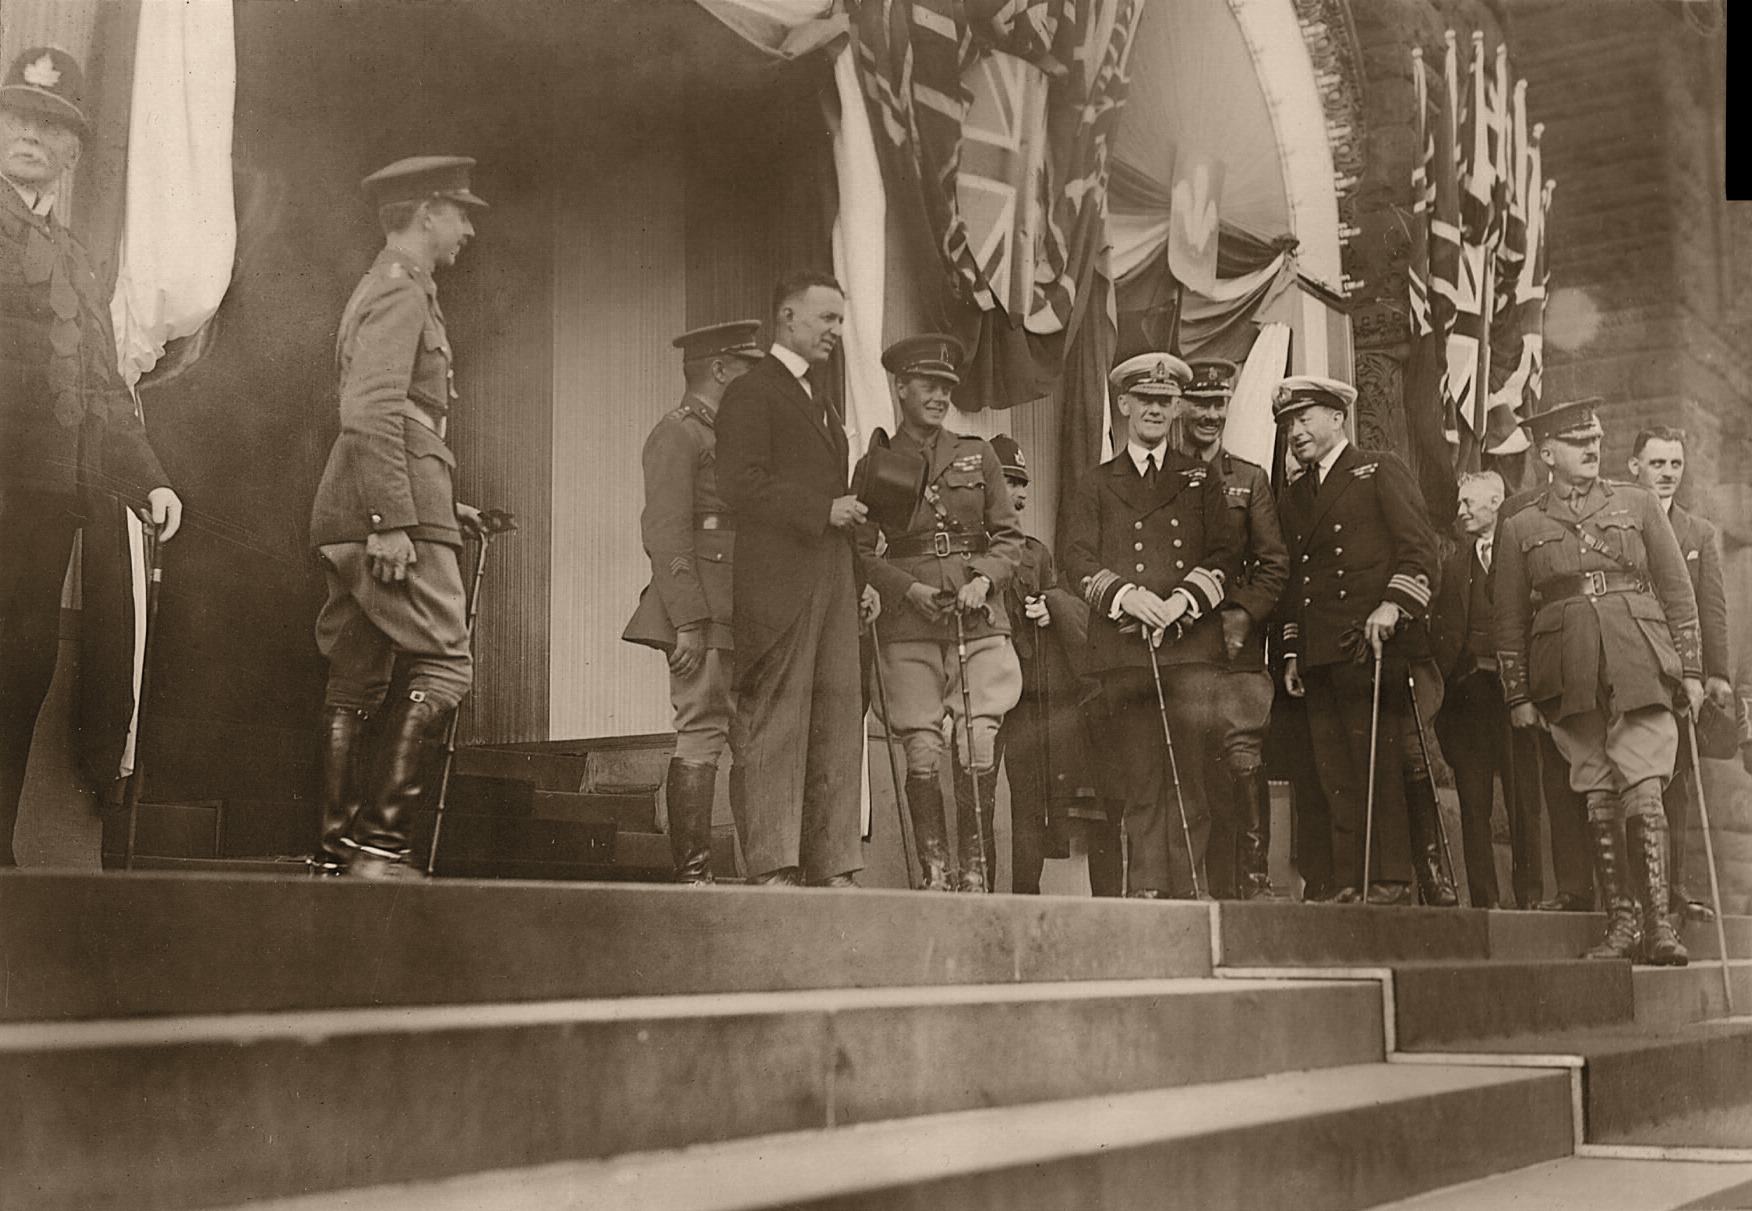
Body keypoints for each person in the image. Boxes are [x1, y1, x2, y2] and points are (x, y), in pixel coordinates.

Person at [1, 47, 183, 867]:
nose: (29, 135)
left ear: (71, 151)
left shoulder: (74, 258)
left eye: (50, 124)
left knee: (19, 673)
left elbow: (105, 387)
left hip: (46, 502)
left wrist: (148, 475)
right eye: (16, 115)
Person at [308, 155, 488, 879]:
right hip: (383, 506)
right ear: (425, 214)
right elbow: (373, 406)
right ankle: (381, 848)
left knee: (355, 676)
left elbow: (396, 416)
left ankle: (335, 853)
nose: (468, 229)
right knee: (446, 660)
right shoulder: (403, 291)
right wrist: (392, 516)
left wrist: (439, 503)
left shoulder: (385, 286)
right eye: (460, 213)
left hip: (369, 499)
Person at [1495, 398, 1703, 965]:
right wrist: (1517, 693)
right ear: (1547, 454)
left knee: (1645, 784)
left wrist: (1689, 668)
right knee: (1596, 788)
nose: (1592, 447)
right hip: (1569, 668)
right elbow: (1509, 618)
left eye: (1595, 437)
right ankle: (1622, 924)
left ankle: (1660, 925)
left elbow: (1678, 593)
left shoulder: (1637, 504)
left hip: (1637, 656)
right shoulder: (1520, 523)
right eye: (1577, 441)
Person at [715, 271, 879, 887]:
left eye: (840, 320)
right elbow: (739, 484)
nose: (836, 332)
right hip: (780, 586)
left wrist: (858, 575)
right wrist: (820, 511)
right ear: (787, 316)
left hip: (832, 575)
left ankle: (832, 863)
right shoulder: (754, 391)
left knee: (837, 718)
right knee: (778, 723)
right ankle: (773, 865)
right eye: (826, 319)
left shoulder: (818, 398)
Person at [1061, 353, 1238, 899]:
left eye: (1166, 401)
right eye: (1148, 401)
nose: (1158, 410)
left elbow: (1227, 552)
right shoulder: (1095, 481)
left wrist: (1183, 601)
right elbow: (1077, 556)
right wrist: (1127, 596)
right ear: (1124, 405)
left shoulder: (1200, 476)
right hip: (1124, 649)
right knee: (1138, 778)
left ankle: (1189, 891)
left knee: (1189, 775)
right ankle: (1145, 893)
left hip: (1188, 647)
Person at [1274, 375, 1454, 907]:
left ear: (1337, 418)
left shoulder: (1377, 470)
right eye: (1289, 423)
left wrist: (1392, 605)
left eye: (1305, 418)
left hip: (1371, 645)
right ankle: (1351, 879)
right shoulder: (1296, 495)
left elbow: (1421, 552)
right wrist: (1290, 651)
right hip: (1318, 653)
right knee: (1333, 771)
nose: (1296, 431)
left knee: (1376, 763)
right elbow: (1294, 581)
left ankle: (1390, 879)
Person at [855, 337, 1023, 891]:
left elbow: (1008, 537)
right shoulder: (876, 465)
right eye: (926, 384)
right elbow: (857, 550)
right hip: (909, 626)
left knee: (978, 742)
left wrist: (983, 580)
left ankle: (975, 873)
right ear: (900, 387)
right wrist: (904, 589)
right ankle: (933, 872)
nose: (937, 395)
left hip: (977, 621)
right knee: (921, 747)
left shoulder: (980, 455)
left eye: (946, 387)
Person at [622, 321, 765, 884]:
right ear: (720, 369)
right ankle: (694, 875)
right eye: (746, 367)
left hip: (744, 611)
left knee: (750, 738)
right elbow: (664, 531)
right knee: (702, 729)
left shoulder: (733, 438)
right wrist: (687, 621)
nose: (755, 378)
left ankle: (761, 870)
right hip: (702, 611)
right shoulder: (678, 434)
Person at [1172, 359, 1289, 898]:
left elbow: (1274, 563)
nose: (1211, 415)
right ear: (1180, 407)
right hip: (1178, 645)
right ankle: (1189, 888)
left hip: (1235, 651)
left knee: (1243, 759)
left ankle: (1253, 880)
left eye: (1220, 404)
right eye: (1201, 403)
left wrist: (1242, 611)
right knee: (1185, 765)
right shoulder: (1162, 475)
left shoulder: (1249, 479)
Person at [1627, 426, 1733, 922]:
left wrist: (1716, 674)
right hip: (1632, 664)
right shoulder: (1619, 519)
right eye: (1657, 463)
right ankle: (1632, 891)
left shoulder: (1699, 533)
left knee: (1678, 781)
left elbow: (1712, 608)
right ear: (1635, 467)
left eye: (1675, 465)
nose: (1667, 473)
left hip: (1681, 673)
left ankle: (1675, 889)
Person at [986, 434, 1095, 895]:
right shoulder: (965, 545)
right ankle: (977, 896)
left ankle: (1024, 900)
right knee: (976, 801)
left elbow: (1063, 601)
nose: (1022, 492)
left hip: (1029, 697)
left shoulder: (1036, 553)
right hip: (981, 691)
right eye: (1011, 481)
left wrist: (1051, 606)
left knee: (1030, 804)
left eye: (1023, 483)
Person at [1431, 471, 1540, 907]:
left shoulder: (1527, 553)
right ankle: (1484, 901)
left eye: (1468, 504)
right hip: (1466, 698)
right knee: (1474, 803)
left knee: (1522, 801)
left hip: (1514, 695)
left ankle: (1530, 897)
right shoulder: (1454, 562)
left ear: (1496, 502)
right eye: (1459, 504)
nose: (1460, 512)